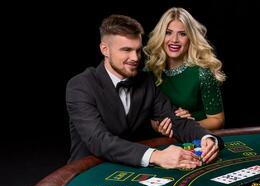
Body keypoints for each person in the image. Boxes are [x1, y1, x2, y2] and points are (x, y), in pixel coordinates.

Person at [66, 14, 224, 169]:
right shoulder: (80, 86)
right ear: (105, 49)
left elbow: (176, 120)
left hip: (129, 169)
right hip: (88, 170)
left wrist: (206, 138)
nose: (135, 58)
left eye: (138, 50)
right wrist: (156, 156)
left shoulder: (145, 81)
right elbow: (98, 140)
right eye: (126, 50)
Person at [143, 7, 226, 137]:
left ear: (191, 38)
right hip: (164, 143)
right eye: (168, 32)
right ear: (160, 35)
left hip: (198, 138)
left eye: (182, 34)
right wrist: (158, 126)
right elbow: (150, 116)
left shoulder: (203, 73)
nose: (174, 40)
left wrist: (187, 123)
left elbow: (218, 120)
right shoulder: (150, 71)